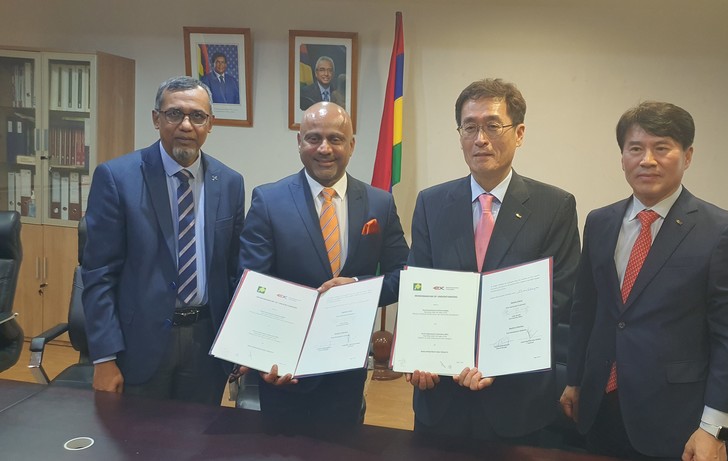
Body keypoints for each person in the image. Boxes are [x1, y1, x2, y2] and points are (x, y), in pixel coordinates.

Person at [560, 101, 728, 460]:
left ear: (687, 156)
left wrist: (714, 428)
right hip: (599, 406)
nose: (647, 160)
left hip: (674, 417)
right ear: (622, 158)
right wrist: (574, 380)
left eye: (661, 148)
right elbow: (585, 310)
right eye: (635, 148)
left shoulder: (723, 232)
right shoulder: (599, 222)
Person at [406, 78, 581, 445]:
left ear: (519, 133)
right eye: (469, 127)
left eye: (492, 126)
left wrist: (494, 358)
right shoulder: (431, 203)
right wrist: (418, 356)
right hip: (440, 398)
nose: (480, 139)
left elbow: (558, 296)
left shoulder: (554, 206)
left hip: (517, 401)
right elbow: (418, 289)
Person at [238, 101, 408, 430]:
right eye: (314, 138)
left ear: (351, 145)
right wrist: (262, 355)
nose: (324, 149)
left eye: (335, 139)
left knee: (342, 447)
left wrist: (357, 287)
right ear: (299, 142)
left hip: (346, 371)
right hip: (283, 369)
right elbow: (252, 284)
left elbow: (403, 274)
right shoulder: (268, 200)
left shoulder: (380, 203)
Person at [82, 76, 245, 405]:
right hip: (138, 344)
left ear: (210, 124)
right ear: (156, 119)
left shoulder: (230, 182)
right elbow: (99, 275)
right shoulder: (117, 178)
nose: (186, 125)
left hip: (205, 344)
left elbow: (234, 272)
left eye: (197, 116)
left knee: (199, 435)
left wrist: (240, 344)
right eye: (174, 114)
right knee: (138, 435)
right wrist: (104, 357)